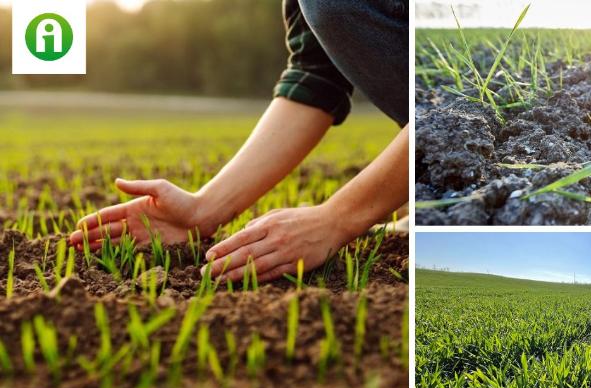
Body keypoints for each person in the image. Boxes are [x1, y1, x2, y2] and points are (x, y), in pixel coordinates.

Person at [68, 0, 409, 283]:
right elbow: (317, 74)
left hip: (457, 130)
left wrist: (336, 219)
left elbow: (461, 96)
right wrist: (204, 209)